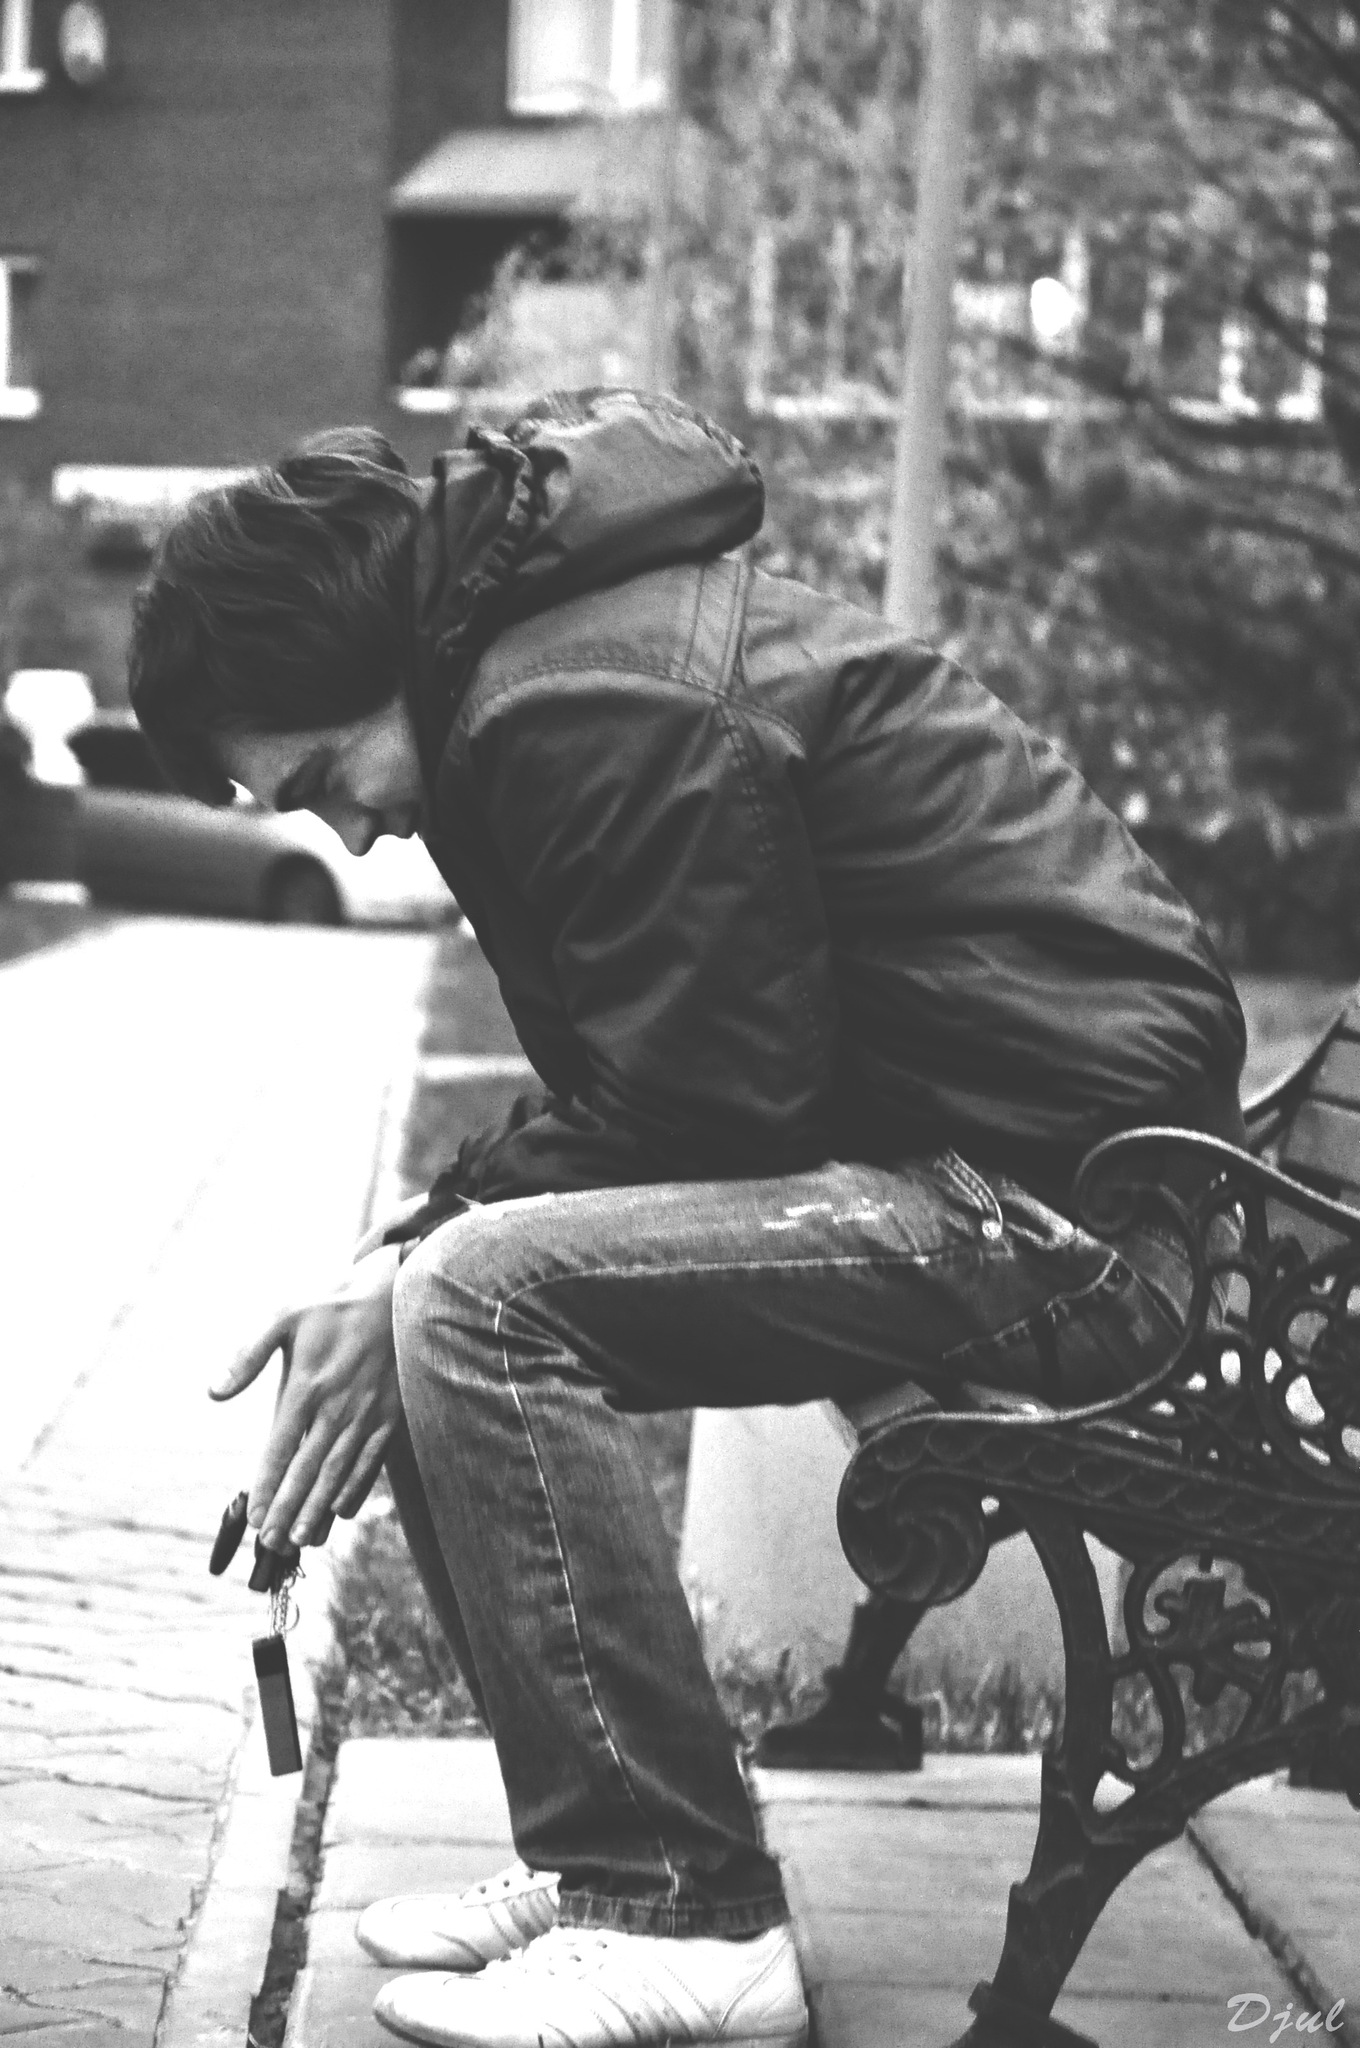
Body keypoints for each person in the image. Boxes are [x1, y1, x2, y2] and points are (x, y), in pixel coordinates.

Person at [128, 388, 1247, 2048]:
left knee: (471, 1296)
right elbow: (664, 1075)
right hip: (1011, 1171)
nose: (348, 827)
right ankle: (604, 1852)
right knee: (435, 1287)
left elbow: (715, 1103)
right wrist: (396, 1261)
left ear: (349, 661)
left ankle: (681, 1906)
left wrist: (417, 1261)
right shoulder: (529, 674)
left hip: (1071, 1220)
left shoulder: (574, 696)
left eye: (319, 779)